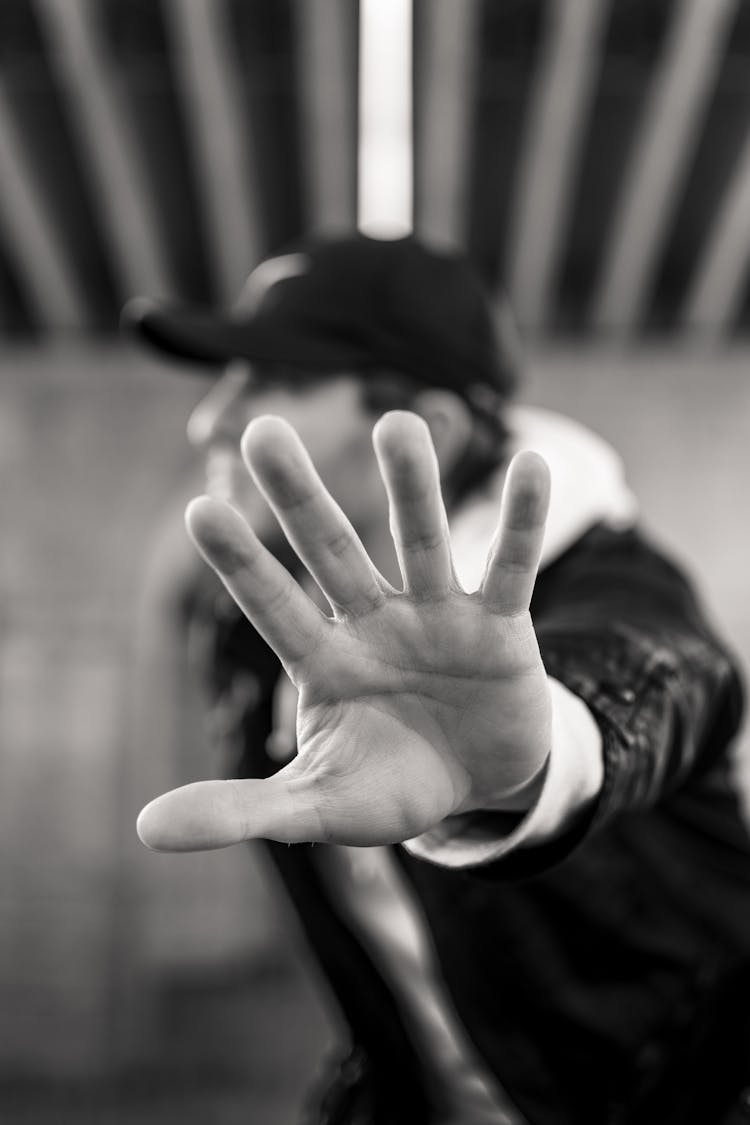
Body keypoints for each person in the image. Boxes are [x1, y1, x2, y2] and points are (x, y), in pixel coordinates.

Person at [125, 235, 749, 1125]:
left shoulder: (607, 581)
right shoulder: (260, 633)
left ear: (422, 433)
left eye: (265, 382)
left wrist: (532, 762)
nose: (208, 419)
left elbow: (661, 679)